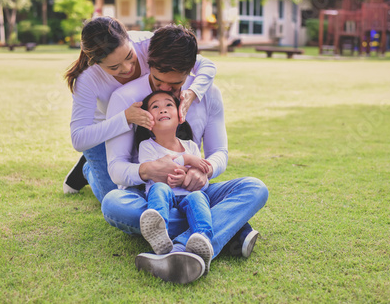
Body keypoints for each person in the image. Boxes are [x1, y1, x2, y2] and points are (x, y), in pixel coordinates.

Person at [101, 25, 268, 284]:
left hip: (196, 193)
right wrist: (147, 170)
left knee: (255, 188)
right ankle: (229, 231)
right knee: (114, 203)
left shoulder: (208, 94)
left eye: (176, 83)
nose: (166, 90)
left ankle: (180, 249)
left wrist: (204, 170)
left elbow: (219, 152)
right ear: (149, 63)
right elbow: (116, 168)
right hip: (149, 194)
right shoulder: (125, 98)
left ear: (191, 70)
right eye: (158, 81)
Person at [62, 17, 216, 203]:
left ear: (128, 38)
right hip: (101, 133)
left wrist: (193, 92)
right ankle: (87, 170)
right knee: (111, 195)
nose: (127, 68)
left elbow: (206, 65)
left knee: (141, 183)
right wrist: (125, 118)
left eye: (129, 56)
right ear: (96, 63)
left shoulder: (147, 44)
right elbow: (79, 139)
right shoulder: (88, 79)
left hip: (143, 122)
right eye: (114, 67)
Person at [137, 90, 215, 275]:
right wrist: (188, 160)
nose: (162, 109)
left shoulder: (191, 145)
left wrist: (187, 175)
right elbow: (157, 171)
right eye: (155, 107)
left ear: (180, 117)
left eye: (169, 105)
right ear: (149, 122)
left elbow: (202, 176)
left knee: (198, 197)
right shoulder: (147, 146)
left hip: (189, 194)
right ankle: (159, 230)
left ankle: (202, 239)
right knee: (159, 188)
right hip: (165, 195)